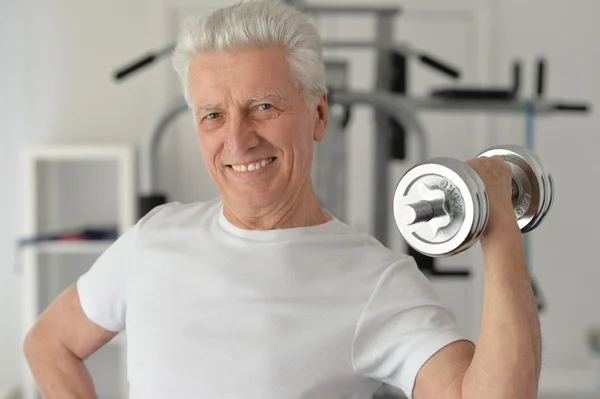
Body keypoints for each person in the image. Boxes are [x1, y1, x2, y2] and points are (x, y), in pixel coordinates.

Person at [23, 1, 542, 398]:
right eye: (213, 116)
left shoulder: (376, 282)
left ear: (318, 115)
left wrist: (498, 225)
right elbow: (50, 343)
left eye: (263, 106)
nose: (238, 140)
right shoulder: (152, 240)